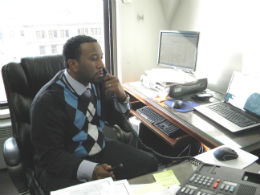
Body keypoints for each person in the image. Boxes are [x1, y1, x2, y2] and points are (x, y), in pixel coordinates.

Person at [31, 35, 158, 193]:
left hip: (99, 148)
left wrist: (121, 96)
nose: (101, 65)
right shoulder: (48, 100)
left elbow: (116, 118)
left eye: (101, 58)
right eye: (94, 59)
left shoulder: (96, 82)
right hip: (65, 162)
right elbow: (50, 156)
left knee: (150, 162)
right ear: (73, 64)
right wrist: (91, 170)